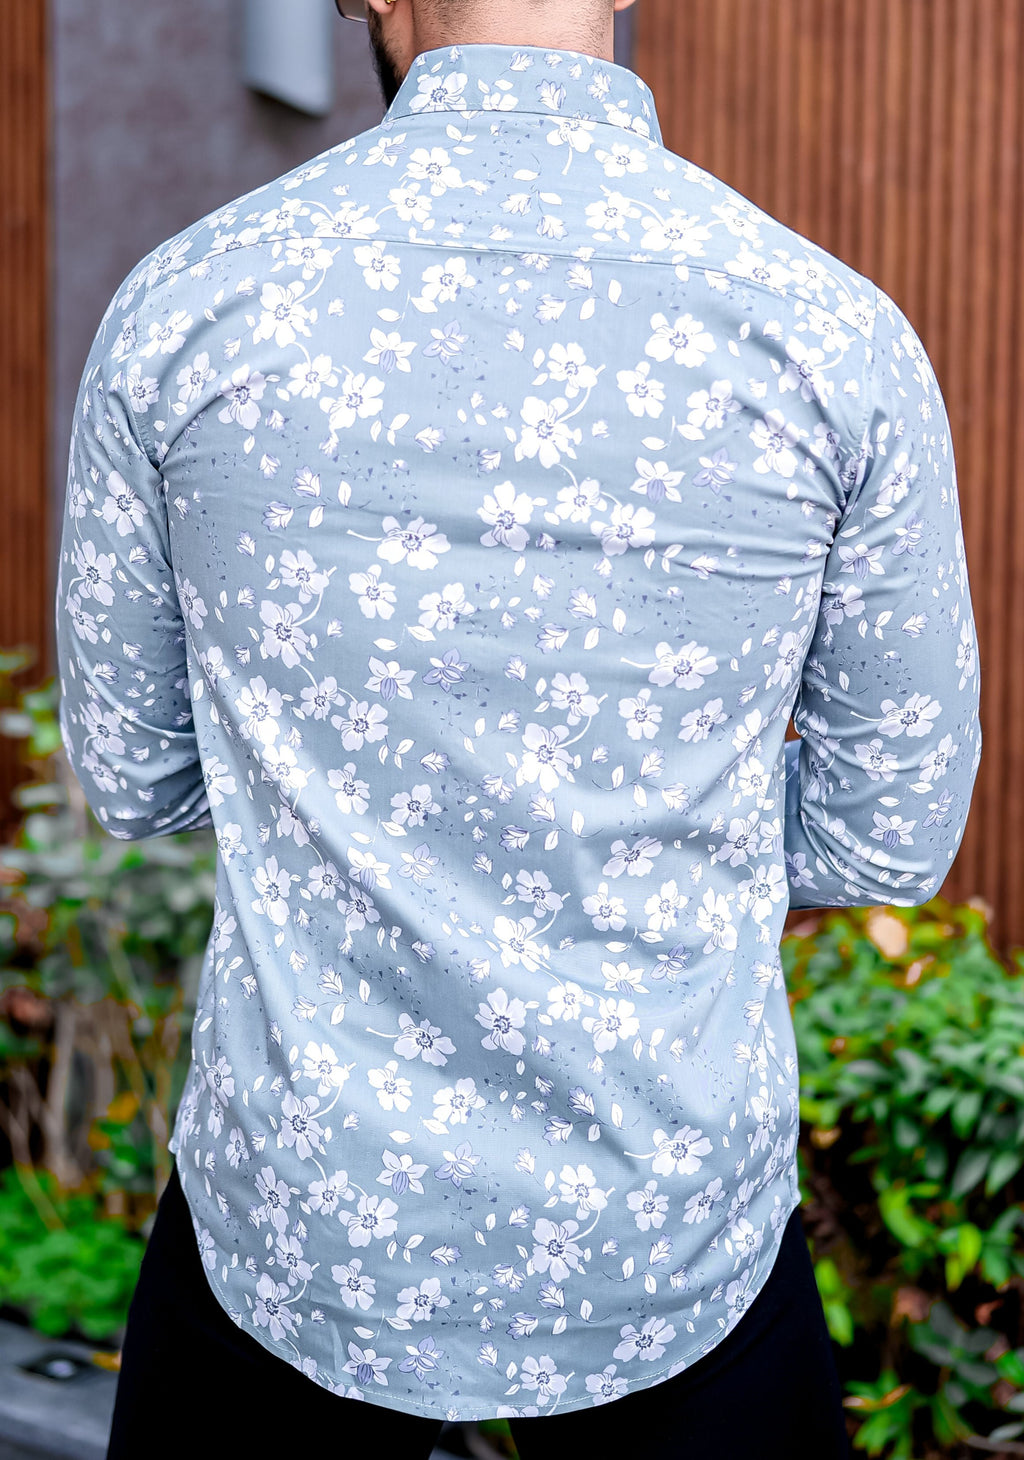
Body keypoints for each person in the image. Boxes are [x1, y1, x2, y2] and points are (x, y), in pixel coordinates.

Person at [54, 0, 981, 1455]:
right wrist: (657, 844)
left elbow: (134, 772)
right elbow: (890, 831)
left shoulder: (189, 304)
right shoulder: (826, 332)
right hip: (668, 1243)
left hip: (299, 1235)